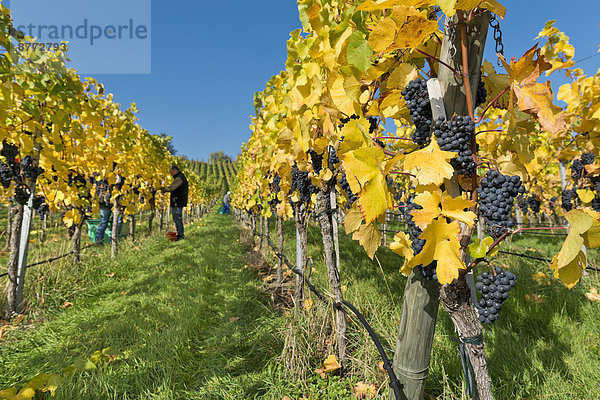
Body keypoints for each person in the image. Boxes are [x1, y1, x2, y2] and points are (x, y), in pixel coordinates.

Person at [160, 165, 188, 241]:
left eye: (171, 172)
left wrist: (161, 189)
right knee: (177, 218)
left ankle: (180, 236)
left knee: (177, 219)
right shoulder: (179, 177)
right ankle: (180, 234)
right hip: (178, 201)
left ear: (175, 170)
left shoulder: (179, 178)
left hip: (177, 201)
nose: (170, 174)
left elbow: (171, 188)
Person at [95, 176, 123, 244]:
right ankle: (98, 242)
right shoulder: (102, 172)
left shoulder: (118, 170)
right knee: (104, 221)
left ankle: (113, 242)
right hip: (104, 201)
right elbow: (98, 183)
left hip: (116, 199)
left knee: (118, 221)